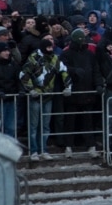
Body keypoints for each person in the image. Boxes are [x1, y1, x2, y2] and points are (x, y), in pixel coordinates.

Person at [20, 39, 72, 161]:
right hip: (36, 97)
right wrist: (30, 89)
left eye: (51, 47)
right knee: (34, 125)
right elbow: (23, 75)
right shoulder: (33, 58)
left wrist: (68, 86)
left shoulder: (55, 58)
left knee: (45, 125)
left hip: (48, 96)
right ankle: (34, 151)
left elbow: (64, 71)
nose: (50, 50)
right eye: (48, 48)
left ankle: (44, 150)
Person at [60, 29, 103, 159]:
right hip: (72, 93)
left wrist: (99, 84)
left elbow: (96, 70)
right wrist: (74, 71)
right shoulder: (66, 54)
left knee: (88, 121)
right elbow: (61, 69)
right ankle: (68, 146)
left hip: (88, 92)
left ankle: (91, 145)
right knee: (70, 122)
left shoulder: (90, 54)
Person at [0, 42, 23, 138]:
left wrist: (21, 90)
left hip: (11, 99)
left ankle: (9, 150)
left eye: (8, 50)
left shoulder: (13, 65)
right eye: (4, 51)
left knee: (11, 128)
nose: (7, 53)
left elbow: (19, 79)